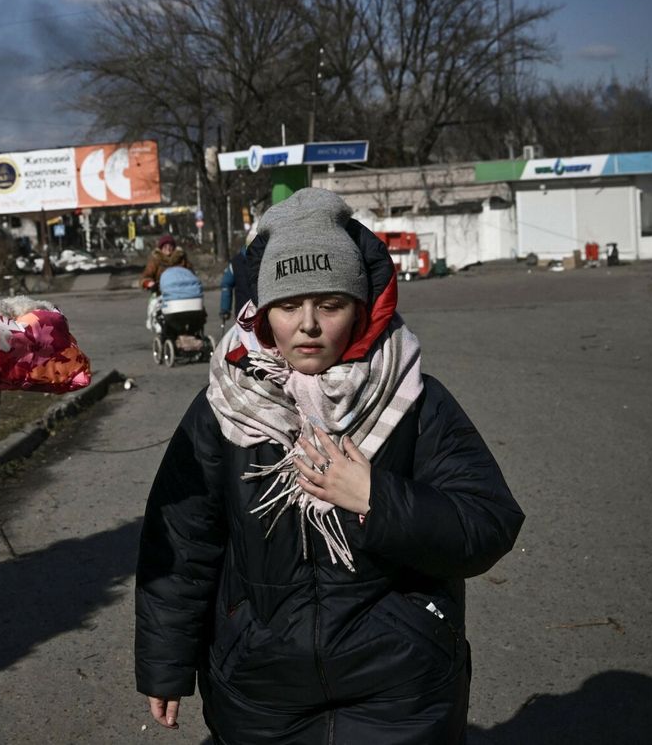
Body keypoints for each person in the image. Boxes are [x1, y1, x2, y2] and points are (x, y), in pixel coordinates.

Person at [134, 187, 524, 744]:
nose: (309, 324)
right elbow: (182, 541)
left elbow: (487, 524)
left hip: (401, 688)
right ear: (264, 312)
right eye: (290, 304)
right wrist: (165, 662)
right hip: (260, 688)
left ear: (363, 309)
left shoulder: (415, 401)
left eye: (331, 304)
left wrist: (377, 497)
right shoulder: (224, 408)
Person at [141, 234, 193, 330]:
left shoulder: (181, 259)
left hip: (183, 292)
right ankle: (158, 325)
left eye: (170, 246)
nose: (168, 249)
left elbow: (190, 273)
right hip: (163, 292)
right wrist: (150, 283)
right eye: (165, 246)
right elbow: (145, 277)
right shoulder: (156, 260)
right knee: (156, 306)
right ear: (161, 248)